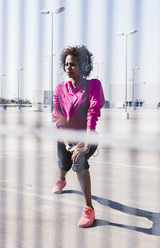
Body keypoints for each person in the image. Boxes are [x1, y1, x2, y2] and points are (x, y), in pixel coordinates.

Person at [52, 45, 105, 228]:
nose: (68, 68)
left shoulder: (94, 85)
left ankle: (88, 209)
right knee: (64, 164)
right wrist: (68, 144)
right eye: (66, 64)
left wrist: (85, 144)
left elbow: (93, 113)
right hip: (66, 138)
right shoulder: (59, 89)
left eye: (73, 64)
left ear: (82, 65)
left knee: (78, 161)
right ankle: (61, 179)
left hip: (87, 137)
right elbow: (58, 118)